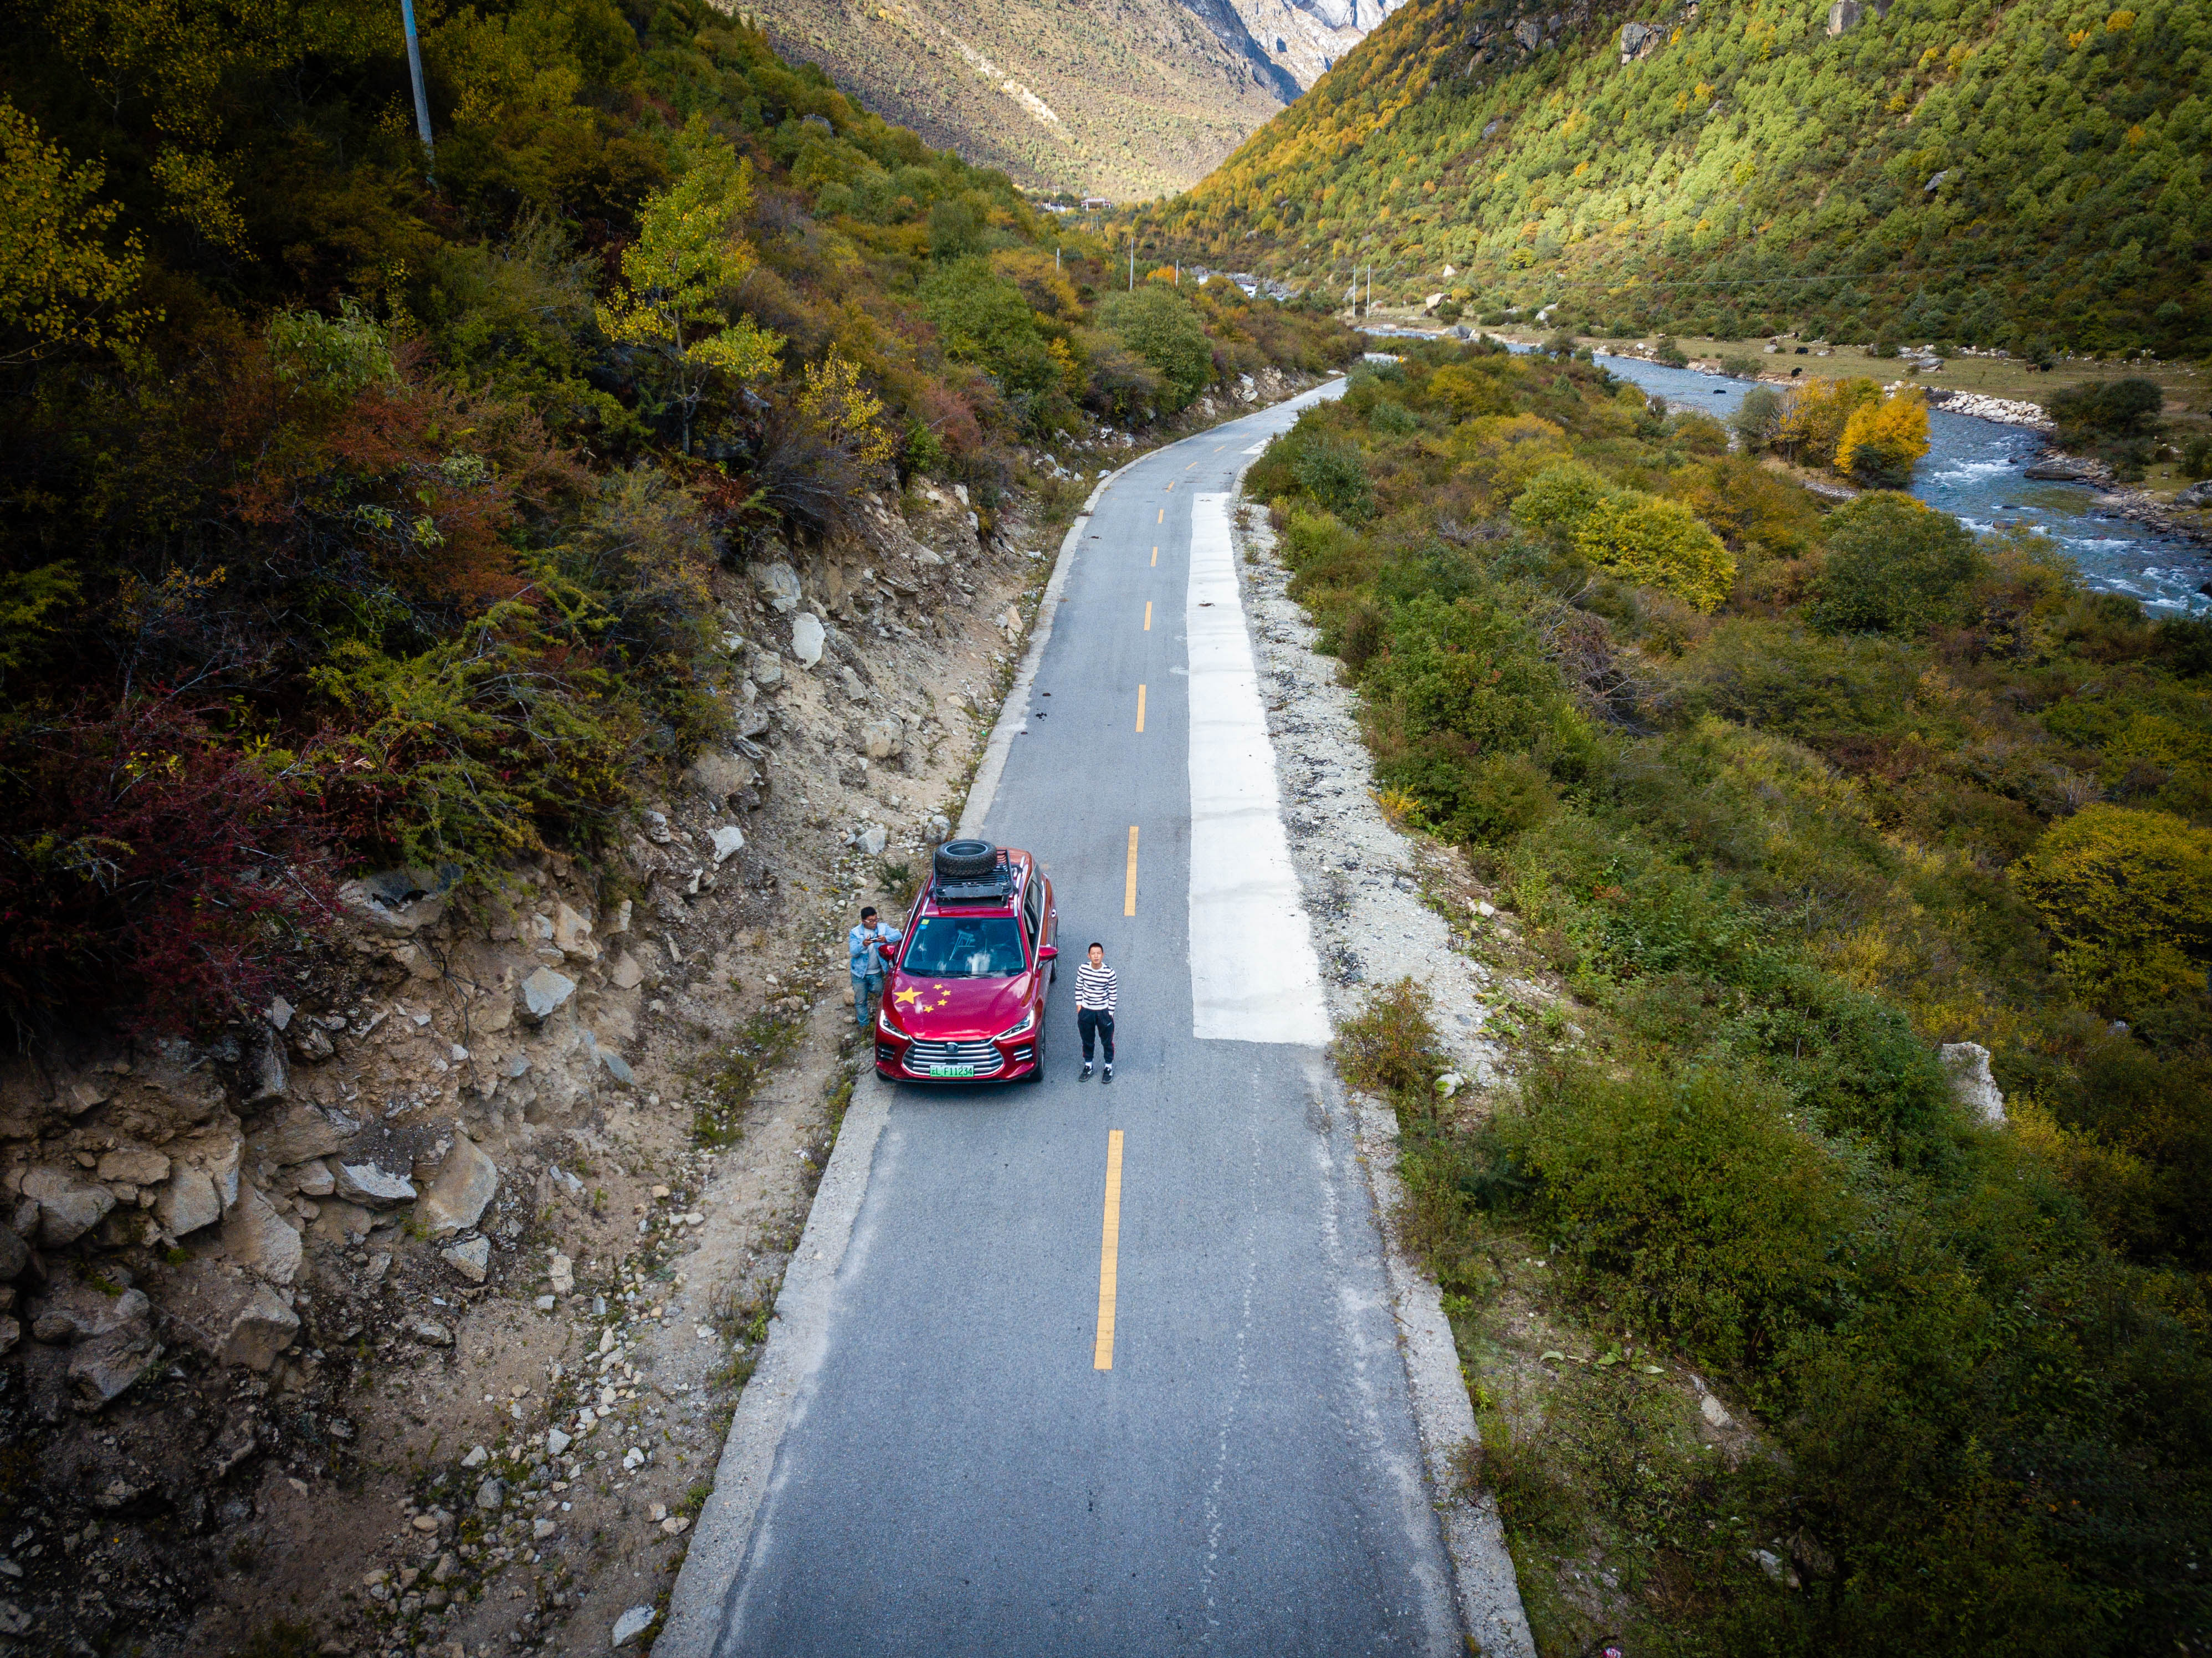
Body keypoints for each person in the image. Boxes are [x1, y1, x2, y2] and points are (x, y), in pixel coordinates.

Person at [848, 905, 902, 1035]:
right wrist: (863, 945)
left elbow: (899, 935)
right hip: (859, 974)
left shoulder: (883, 928)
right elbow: (853, 952)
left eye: (875, 919)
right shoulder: (855, 933)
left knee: (880, 995)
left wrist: (886, 939)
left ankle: (880, 1022)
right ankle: (864, 1027)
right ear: (863, 922)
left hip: (877, 972)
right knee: (860, 1001)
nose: (874, 923)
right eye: (871, 921)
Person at [1074, 941, 1117, 1082]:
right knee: (1087, 1040)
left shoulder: (1109, 973)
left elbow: (1113, 994)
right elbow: (1079, 987)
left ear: (1103, 955)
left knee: (1107, 1041)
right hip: (1087, 1011)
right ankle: (1088, 1066)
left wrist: (1110, 1013)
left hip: (1103, 1012)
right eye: (1093, 954)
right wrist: (1079, 1007)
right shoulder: (1083, 969)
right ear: (1089, 955)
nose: (1096, 956)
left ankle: (1108, 1067)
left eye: (1099, 953)